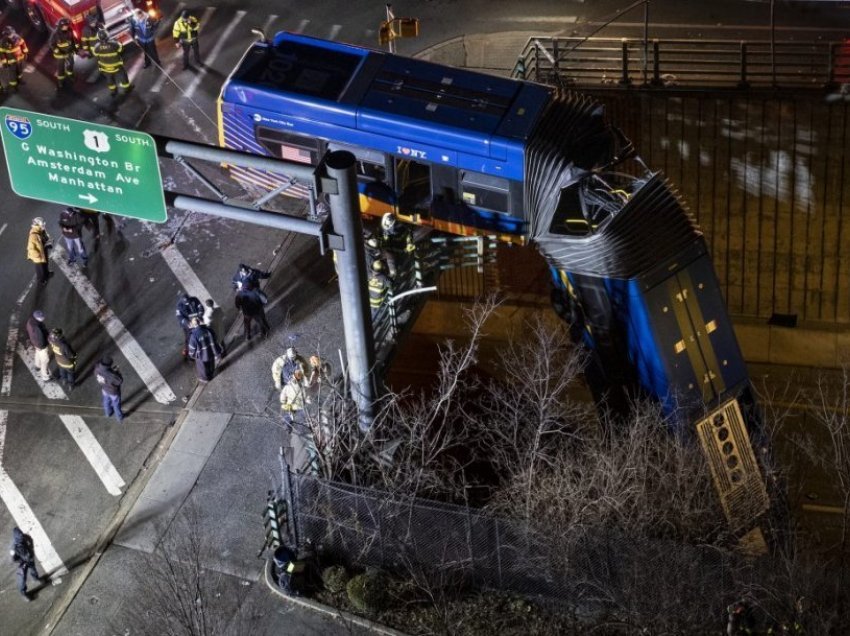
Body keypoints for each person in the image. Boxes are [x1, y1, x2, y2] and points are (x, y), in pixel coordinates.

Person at [93, 29, 132, 96]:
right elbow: (121, 50)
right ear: (107, 35)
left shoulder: (96, 47)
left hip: (105, 67)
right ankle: (126, 89)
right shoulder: (114, 43)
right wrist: (118, 42)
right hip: (116, 66)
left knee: (109, 79)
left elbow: (96, 55)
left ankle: (113, 91)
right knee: (123, 76)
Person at [10, 527, 44, 602]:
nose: (22, 537)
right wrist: (22, 561)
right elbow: (13, 559)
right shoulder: (14, 548)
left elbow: (30, 540)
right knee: (22, 578)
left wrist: (31, 550)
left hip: (29, 558)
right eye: (20, 536)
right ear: (16, 537)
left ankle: (35, 578)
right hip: (23, 563)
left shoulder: (25, 537)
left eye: (21, 535)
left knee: (33, 569)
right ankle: (23, 593)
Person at [187, 317, 222, 383]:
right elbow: (215, 338)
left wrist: (194, 356)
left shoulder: (193, 336)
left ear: (193, 325)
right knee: (211, 364)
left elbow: (192, 349)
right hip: (211, 351)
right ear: (199, 322)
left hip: (201, 355)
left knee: (203, 368)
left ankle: (205, 378)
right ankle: (211, 374)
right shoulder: (208, 330)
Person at [48, 17, 76, 88]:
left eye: (67, 25)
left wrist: (75, 49)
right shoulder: (55, 34)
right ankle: (61, 81)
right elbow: (51, 44)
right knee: (61, 68)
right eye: (65, 26)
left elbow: (72, 40)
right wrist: (58, 51)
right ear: (61, 26)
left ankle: (70, 74)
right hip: (60, 55)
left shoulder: (69, 30)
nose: (67, 27)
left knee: (71, 64)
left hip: (69, 52)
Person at [95, 356, 124, 422]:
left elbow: (103, 376)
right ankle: (119, 418)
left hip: (104, 389)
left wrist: (112, 371)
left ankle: (108, 413)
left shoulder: (97, 368)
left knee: (106, 401)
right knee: (116, 404)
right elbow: (119, 381)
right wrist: (117, 372)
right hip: (113, 391)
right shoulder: (111, 375)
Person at [26, 310, 51, 382]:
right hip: (41, 346)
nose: (43, 318)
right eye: (41, 317)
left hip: (35, 343)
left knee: (37, 353)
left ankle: (37, 366)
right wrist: (43, 346)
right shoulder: (37, 328)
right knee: (45, 360)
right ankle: (45, 377)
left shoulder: (30, 321)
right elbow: (41, 339)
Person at [176, 294, 204, 358]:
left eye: (188, 301)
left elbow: (200, 308)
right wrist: (187, 322)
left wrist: (199, 316)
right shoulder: (179, 305)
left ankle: (201, 346)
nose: (188, 303)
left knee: (200, 333)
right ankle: (189, 351)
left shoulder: (194, 300)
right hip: (188, 325)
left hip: (197, 321)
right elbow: (179, 317)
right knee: (188, 338)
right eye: (186, 302)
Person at [0, 26, 27, 92]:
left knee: (20, 70)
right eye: (10, 34)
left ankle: (20, 80)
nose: (12, 35)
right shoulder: (3, 42)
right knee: (12, 74)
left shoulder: (17, 37)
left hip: (19, 59)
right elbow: (1, 53)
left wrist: (25, 53)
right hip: (11, 62)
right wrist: (4, 62)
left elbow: (23, 44)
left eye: (12, 33)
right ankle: (14, 86)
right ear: (6, 35)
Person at [26, 218, 52, 285]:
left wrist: (48, 241)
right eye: (42, 224)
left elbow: (45, 237)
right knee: (40, 269)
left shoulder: (40, 230)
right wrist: (38, 255)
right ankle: (41, 280)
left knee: (45, 263)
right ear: (37, 224)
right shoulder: (33, 235)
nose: (44, 225)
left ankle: (47, 274)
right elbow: (30, 248)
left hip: (43, 250)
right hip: (38, 255)